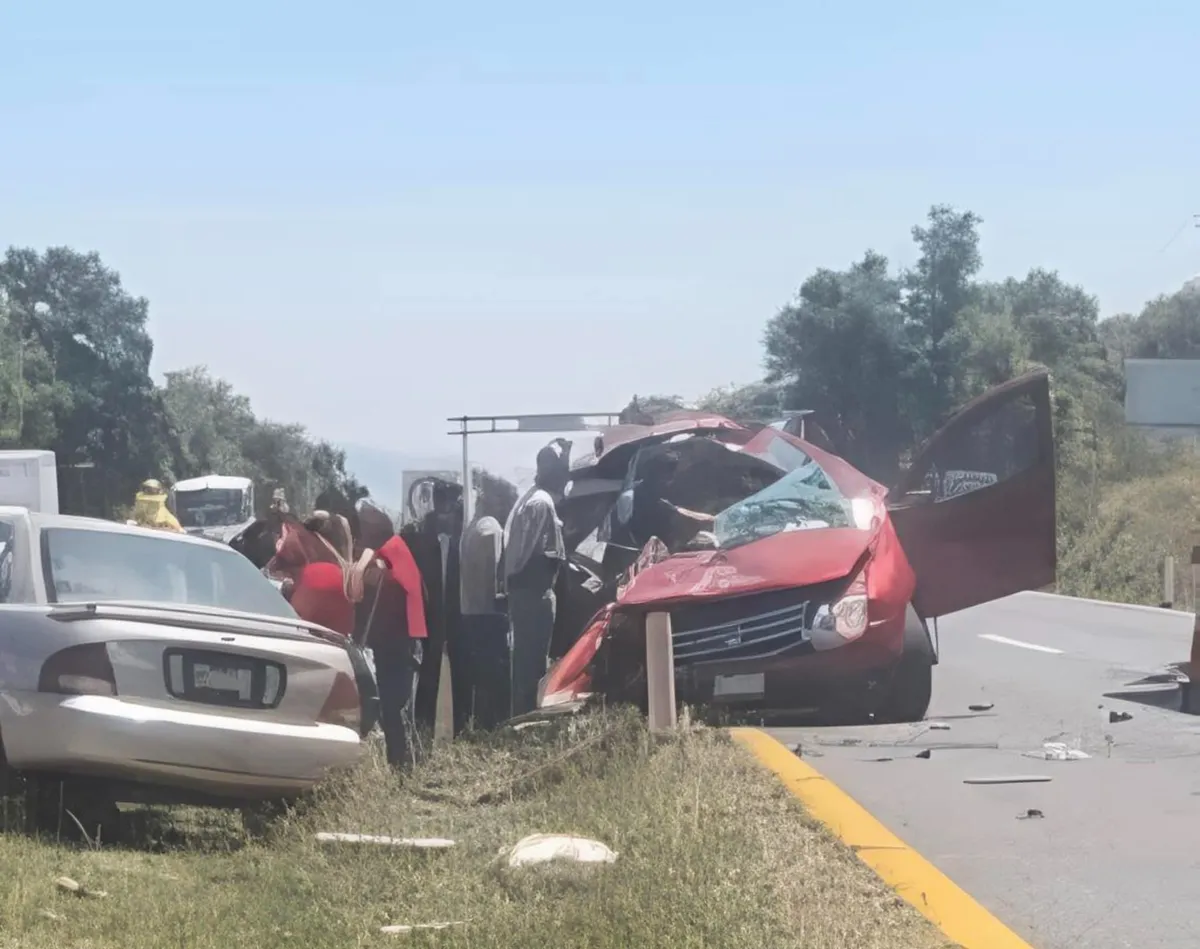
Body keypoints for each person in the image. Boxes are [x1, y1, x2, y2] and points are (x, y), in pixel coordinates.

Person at [503, 439, 571, 716]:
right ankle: (525, 720)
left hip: (530, 593)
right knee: (531, 664)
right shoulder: (539, 504)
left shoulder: (535, 498)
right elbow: (522, 555)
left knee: (529, 661)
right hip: (533, 593)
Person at [457, 490, 513, 730]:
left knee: (478, 678)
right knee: (494, 678)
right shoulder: (491, 528)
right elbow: (495, 574)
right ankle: (493, 728)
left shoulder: (471, 528)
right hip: (489, 613)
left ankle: (479, 726)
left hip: (470, 611)